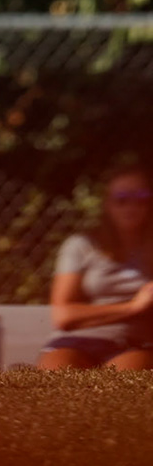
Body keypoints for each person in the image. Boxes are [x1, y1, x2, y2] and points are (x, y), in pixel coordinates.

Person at [38, 156, 152, 371]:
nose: (132, 206)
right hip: (76, 341)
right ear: (108, 203)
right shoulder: (82, 245)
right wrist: (133, 306)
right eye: (122, 198)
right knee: (57, 379)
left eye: (141, 197)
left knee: (123, 385)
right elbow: (63, 316)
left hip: (134, 343)